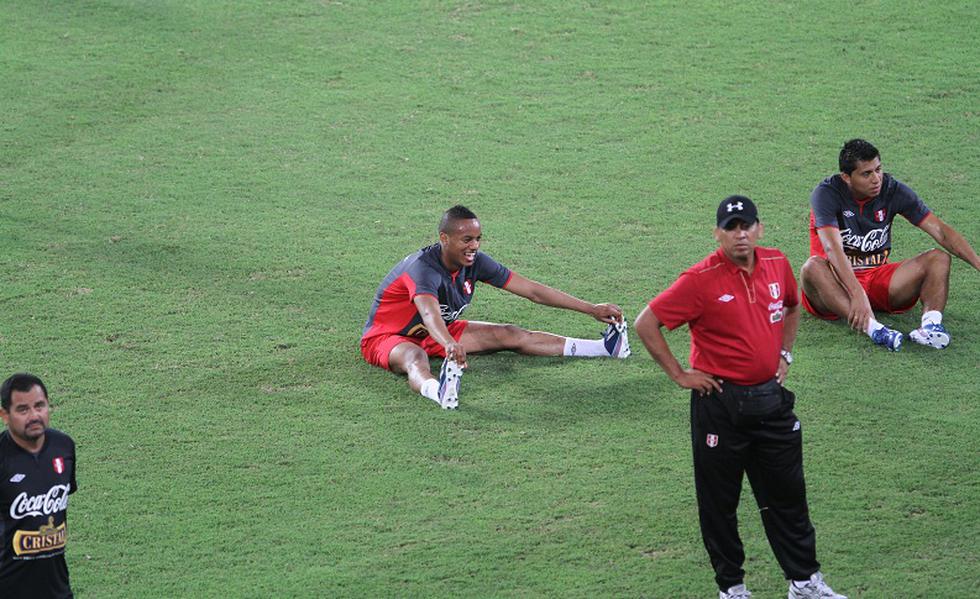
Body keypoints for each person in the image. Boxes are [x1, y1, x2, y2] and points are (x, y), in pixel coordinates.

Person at [634, 197, 846, 599]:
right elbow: (648, 322)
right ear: (718, 234)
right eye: (731, 227)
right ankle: (732, 589)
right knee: (720, 504)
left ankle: (804, 583)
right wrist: (679, 374)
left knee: (789, 497)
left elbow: (792, 307)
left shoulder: (777, 264)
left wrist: (785, 354)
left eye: (746, 225)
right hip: (720, 408)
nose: (740, 233)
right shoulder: (700, 279)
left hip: (771, 403)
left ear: (759, 228)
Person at [360, 205, 630, 409]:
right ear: (444, 238)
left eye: (478, 238)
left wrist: (590, 308)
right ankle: (438, 391)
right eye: (467, 239)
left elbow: (533, 291)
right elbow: (429, 314)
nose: (474, 246)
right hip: (387, 338)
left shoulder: (475, 262)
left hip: (437, 332)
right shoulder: (422, 270)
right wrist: (448, 343)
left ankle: (604, 348)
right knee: (414, 357)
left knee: (510, 333)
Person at [800, 138, 980, 351]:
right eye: (866, 174)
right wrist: (856, 293)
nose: (876, 178)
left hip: (876, 280)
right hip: (833, 288)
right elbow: (832, 249)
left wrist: (978, 264)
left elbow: (940, 231)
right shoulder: (826, 194)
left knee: (937, 259)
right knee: (812, 267)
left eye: (878, 169)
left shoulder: (892, 190)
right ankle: (874, 329)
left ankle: (931, 327)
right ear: (846, 177)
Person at [0, 373, 77, 599]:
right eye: (23, 410)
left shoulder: (64, 447)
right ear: (5, 415)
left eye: (39, 406)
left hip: (58, 591)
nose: (34, 416)